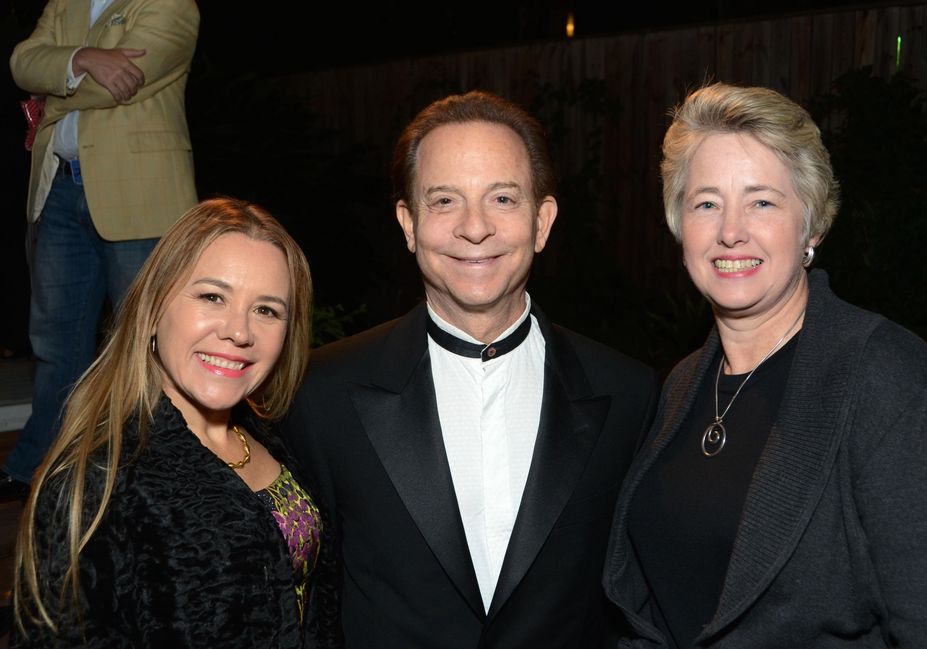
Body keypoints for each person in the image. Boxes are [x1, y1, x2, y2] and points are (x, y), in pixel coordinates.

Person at [603, 82, 927, 648]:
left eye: (762, 201)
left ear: (812, 225)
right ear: (680, 226)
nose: (731, 230)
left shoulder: (890, 383)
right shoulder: (682, 384)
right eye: (706, 202)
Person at [282, 90, 659, 647]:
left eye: (503, 198)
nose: (474, 227)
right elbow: (306, 600)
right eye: (444, 202)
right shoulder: (322, 394)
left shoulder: (630, 395)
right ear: (408, 224)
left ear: (542, 221)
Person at [12, 198, 339, 647]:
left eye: (266, 309)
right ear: (153, 308)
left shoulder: (275, 437)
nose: (239, 332)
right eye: (212, 296)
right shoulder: (96, 479)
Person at [3, 0, 200, 501]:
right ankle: (42, 467)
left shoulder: (170, 5)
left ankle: (161, 473)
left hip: (141, 196)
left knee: (153, 343)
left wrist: (54, 86)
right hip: (60, 191)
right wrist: (85, 58)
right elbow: (21, 62)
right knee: (55, 343)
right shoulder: (62, 3)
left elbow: (129, 82)